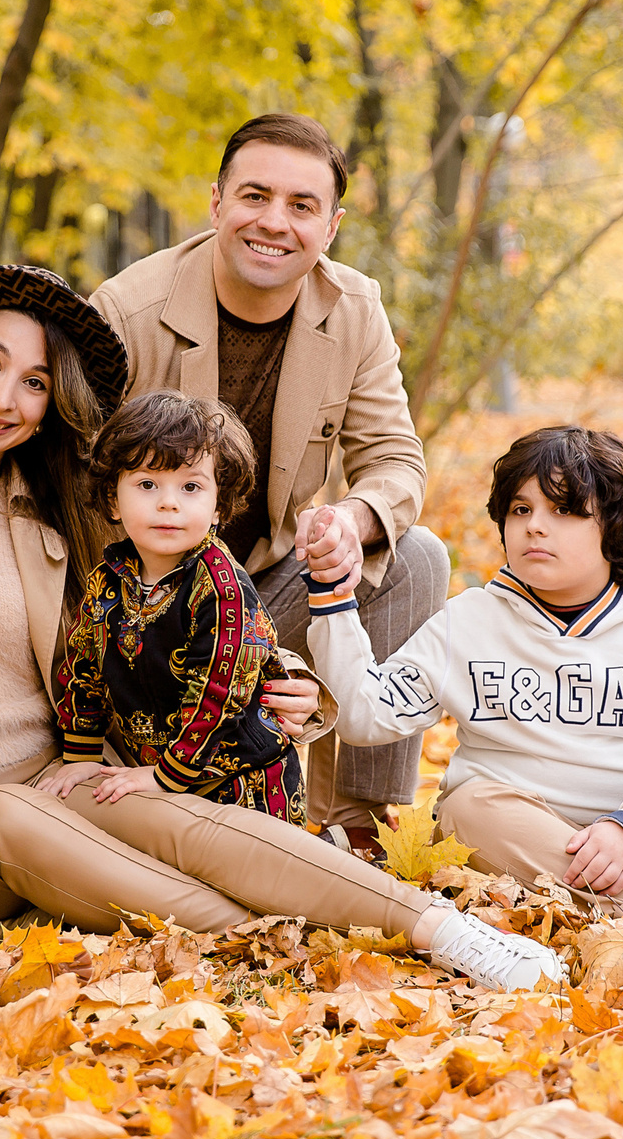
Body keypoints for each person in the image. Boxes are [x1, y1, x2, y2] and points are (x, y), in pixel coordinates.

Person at [0, 264, 563, 990]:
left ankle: (441, 928)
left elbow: (183, 603)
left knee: (177, 819)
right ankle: (304, 932)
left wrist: (285, 679)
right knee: (15, 816)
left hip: (68, 771)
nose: (5, 396)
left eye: (34, 381)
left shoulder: (62, 496)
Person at [305, 425, 623, 941]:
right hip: (514, 835)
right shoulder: (469, 621)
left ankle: (614, 913)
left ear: (615, 528)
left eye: (565, 511)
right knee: (468, 810)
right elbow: (362, 715)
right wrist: (333, 598)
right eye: (521, 510)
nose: (535, 527)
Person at [90, 114, 442, 853]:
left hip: (254, 588)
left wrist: (353, 516)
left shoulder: (355, 311)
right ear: (217, 203)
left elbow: (396, 460)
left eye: (302, 205)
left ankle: (363, 827)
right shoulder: (128, 311)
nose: (274, 222)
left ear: (332, 225)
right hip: (139, 612)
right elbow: (67, 484)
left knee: (416, 557)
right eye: (255, 196)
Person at [44, 392, 301, 824]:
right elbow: (82, 668)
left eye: (191, 487)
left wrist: (166, 775)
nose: (168, 503)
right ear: (112, 499)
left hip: (244, 778)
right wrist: (81, 754)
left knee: (245, 877)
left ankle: (329, 853)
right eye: (147, 484)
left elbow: (218, 695)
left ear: (218, 506)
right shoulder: (107, 579)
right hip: (157, 772)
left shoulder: (222, 587)